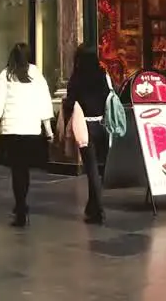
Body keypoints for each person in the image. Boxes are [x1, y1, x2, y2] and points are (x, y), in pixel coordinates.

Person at [0, 42, 54, 228]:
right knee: (24, 170)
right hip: (31, 129)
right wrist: (48, 129)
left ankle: (20, 207)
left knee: (17, 170)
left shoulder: (6, 74)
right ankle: (22, 204)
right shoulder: (36, 74)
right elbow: (44, 101)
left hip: (12, 130)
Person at [61, 45, 111, 225]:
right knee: (100, 167)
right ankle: (92, 206)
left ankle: (98, 210)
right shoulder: (102, 75)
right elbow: (108, 96)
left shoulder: (76, 78)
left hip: (85, 126)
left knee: (91, 170)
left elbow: (71, 101)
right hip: (102, 125)